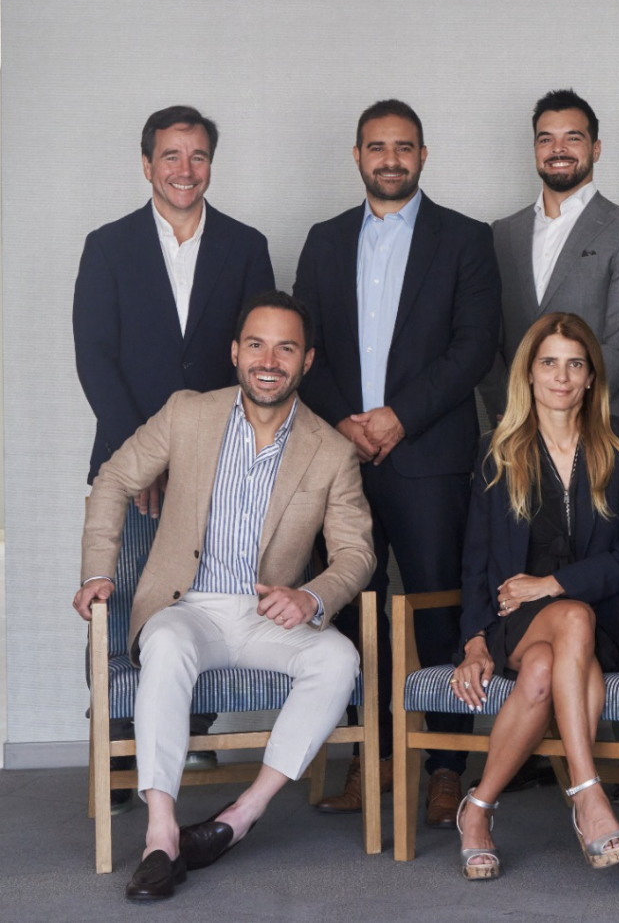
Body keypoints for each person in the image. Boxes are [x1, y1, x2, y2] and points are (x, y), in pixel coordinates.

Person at [74, 292, 375, 901]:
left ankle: (239, 817)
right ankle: (162, 834)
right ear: (235, 352)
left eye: (286, 349)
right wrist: (95, 573)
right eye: (257, 345)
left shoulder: (331, 450)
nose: (269, 361)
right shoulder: (188, 413)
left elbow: (356, 553)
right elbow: (114, 478)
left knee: (339, 659)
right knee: (166, 646)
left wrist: (312, 597)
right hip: (186, 608)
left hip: (268, 615)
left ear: (307, 360)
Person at [293, 99, 502, 826]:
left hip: (429, 455)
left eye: (404, 147)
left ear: (423, 155)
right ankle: (372, 759)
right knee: (354, 610)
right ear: (357, 156)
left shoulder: (465, 238)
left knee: (440, 607)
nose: (391, 159)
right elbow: (304, 346)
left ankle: (446, 767)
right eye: (377, 147)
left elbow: (475, 346)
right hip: (339, 457)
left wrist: (398, 417)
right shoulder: (323, 240)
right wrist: (346, 422)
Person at [73, 104, 275, 810]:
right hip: (130, 462)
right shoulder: (108, 246)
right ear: (146, 164)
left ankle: (192, 727)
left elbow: (258, 355)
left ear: (211, 164)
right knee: (123, 596)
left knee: (206, 594)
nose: (184, 170)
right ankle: (118, 735)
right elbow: (95, 357)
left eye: (197, 156)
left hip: (221, 463)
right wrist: (146, 457)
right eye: (170, 156)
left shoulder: (246, 246)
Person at [448, 313, 619, 879]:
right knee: (568, 621)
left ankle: (477, 809)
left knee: (545, 666)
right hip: (515, 620)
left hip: (605, 620)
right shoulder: (497, 451)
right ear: (529, 374)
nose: (561, 376)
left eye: (574, 364)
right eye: (549, 363)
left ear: (590, 377)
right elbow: (475, 559)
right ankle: (589, 796)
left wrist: (552, 585)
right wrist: (473, 641)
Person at [482, 89, 619, 423]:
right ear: (535, 150)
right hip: (513, 425)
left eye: (572, 138)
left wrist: (557, 408)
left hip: (599, 423)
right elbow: (485, 337)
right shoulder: (501, 234)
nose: (558, 149)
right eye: (546, 139)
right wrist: (511, 405)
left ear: (596, 149)